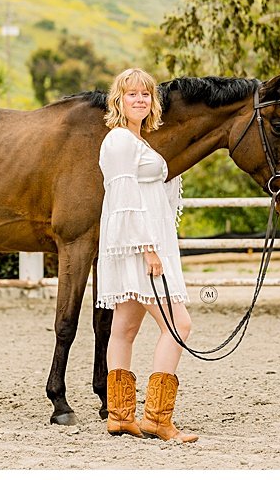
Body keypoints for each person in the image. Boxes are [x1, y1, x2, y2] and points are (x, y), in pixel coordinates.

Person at [96, 68, 198, 443]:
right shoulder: (121, 141)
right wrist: (150, 249)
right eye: (131, 94)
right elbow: (123, 199)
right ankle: (157, 418)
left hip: (143, 245)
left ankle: (121, 416)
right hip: (140, 248)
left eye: (145, 94)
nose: (139, 99)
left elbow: (153, 194)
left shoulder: (138, 142)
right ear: (118, 101)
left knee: (124, 328)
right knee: (179, 325)